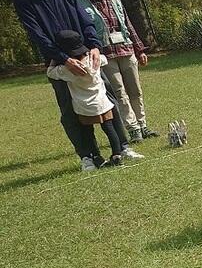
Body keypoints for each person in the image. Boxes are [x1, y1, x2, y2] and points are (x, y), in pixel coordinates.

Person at [12, 0, 139, 171]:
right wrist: (63, 59)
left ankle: (122, 147)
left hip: (86, 55)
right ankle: (89, 157)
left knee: (107, 98)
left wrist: (95, 47)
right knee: (70, 110)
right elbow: (37, 35)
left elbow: (84, 20)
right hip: (58, 62)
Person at [76, 0, 157, 142]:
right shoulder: (79, 3)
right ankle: (133, 129)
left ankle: (143, 125)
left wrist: (139, 49)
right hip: (104, 55)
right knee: (119, 92)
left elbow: (127, 24)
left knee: (135, 90)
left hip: (126, 49)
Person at [46, 31, 140, 168]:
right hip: (103, 103)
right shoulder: (93, 60)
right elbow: (104, 59)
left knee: (87, 132)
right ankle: (117, 153)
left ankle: (96, 156)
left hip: (83, 106)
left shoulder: (67, 70)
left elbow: (50, 72)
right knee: (109, 128)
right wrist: (92, 51)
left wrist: (56, 58)